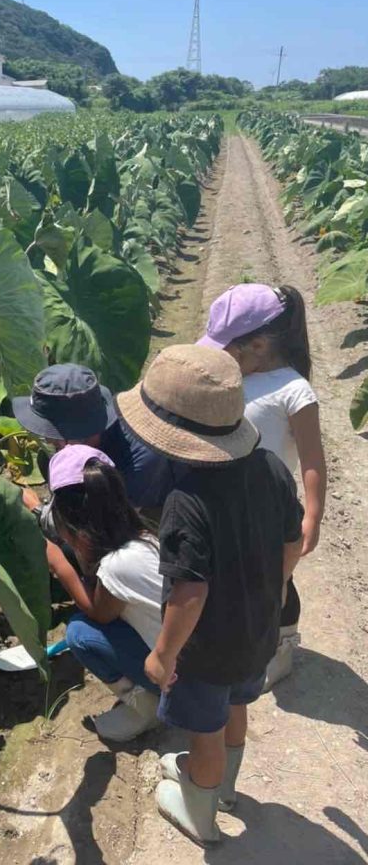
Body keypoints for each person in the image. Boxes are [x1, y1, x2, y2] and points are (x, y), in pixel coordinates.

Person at [114, 344, 303, 846]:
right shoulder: (270, 468)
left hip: (207, 650)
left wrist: (163, 654)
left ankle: (200, 810)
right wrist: (276, 588)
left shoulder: (186, 502)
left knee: (204, 730)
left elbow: (190, 592)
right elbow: (293, 540)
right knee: (237, 704)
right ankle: (226, 789)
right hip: (257, 632)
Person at [197, 283, 326, 686]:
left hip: (270, 505)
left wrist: (314, 517)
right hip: (228, 499)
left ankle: (283, 642)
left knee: (277, 579)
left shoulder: (294, 390)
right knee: (242, 575)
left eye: (229, 348)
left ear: (258, 346)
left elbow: (312, 460)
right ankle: (252, 633)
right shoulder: (233, 376)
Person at [44, 444, 163, 741]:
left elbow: (99, 612)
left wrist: (61, 566)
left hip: (181, 678)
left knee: (81, 633)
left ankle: (146, 707)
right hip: (201, 660)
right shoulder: (144, 538)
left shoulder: (116, 567)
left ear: (74, 527)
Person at [12, 363, 184, 525]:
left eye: (54, 434)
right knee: (47, 460)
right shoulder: (95, 410)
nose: (48, 439)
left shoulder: (138, 462)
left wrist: (38, 510)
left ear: (81, 432)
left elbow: (109, 531)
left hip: (153, 505)